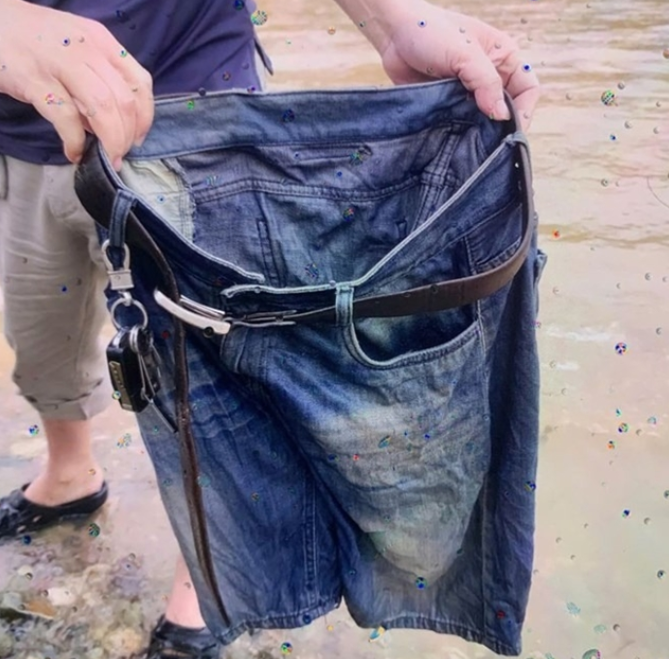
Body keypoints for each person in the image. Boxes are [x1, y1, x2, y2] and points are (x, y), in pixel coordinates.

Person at [0, 0, 541, 657]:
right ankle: (69, 476)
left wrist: (392, 20)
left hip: (192, 119)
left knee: (216, 370)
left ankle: (206, 589)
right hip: (20, 123)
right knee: (41, 337)